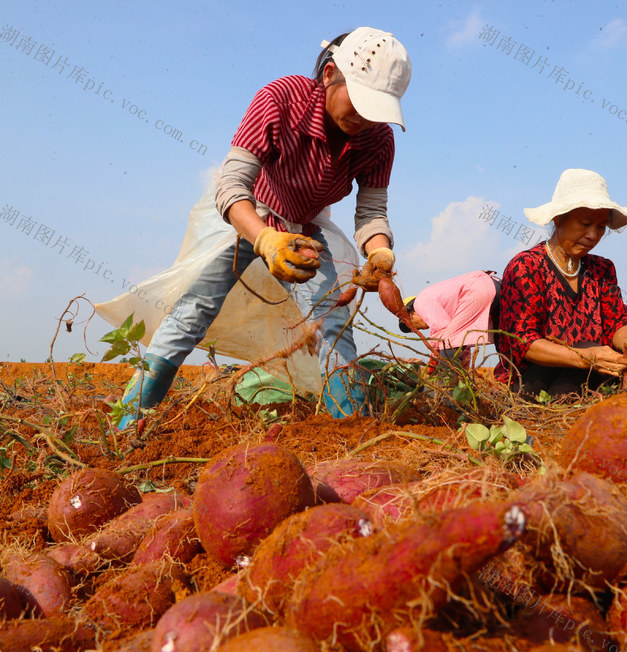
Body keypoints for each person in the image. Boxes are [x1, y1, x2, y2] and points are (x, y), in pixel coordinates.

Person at [117, 27, 412, 427]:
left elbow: (372, 211)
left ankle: (349, 427)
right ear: (329, 75)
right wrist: (266, 239)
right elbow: (232, 184)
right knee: (193, 311)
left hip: (306, 225)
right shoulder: (280, 99)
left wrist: (379, 251)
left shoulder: (377, 140)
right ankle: (128, 421)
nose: (365, 117)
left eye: (377, 109)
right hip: (249, 213)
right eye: (359, 101)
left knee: (330, 321)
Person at [493, 168, 627, 397]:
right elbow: (522, 341)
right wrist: (584, 357)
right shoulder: (526, 266)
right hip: (535, 380)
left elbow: (617, 322)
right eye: (585, 223)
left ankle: (620, 393)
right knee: (585, 347)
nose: (593, 235)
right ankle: (573, 401)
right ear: (559, 219)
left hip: (594, 366)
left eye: (600, 227)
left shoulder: (602, 269)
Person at [398, 270, 501, 368]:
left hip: (478, 289)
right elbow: (461, 342)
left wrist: (433, 364)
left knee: (448, 341)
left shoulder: (420, 302)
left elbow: (442, 337)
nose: (423, 329)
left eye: (417, 327)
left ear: (410, 314)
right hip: (496, 285)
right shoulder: (435, 298)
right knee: (503, 339)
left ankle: (446, 384)